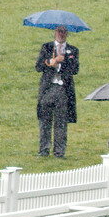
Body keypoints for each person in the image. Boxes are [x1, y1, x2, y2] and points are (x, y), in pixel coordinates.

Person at [35, 25, 79, 159]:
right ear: (55, 33)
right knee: (45, 121)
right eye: (59, 31)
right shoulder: (46, 47)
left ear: (67, 33)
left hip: (63, 90)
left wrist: (62, 61)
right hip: (48, 89)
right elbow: (38, 66)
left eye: (64, 32)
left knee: (61, 123)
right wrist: (51, 61)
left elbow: (75, 70)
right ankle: (43, 150)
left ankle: (59, 152)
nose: (61, 34)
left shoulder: (73, 50)